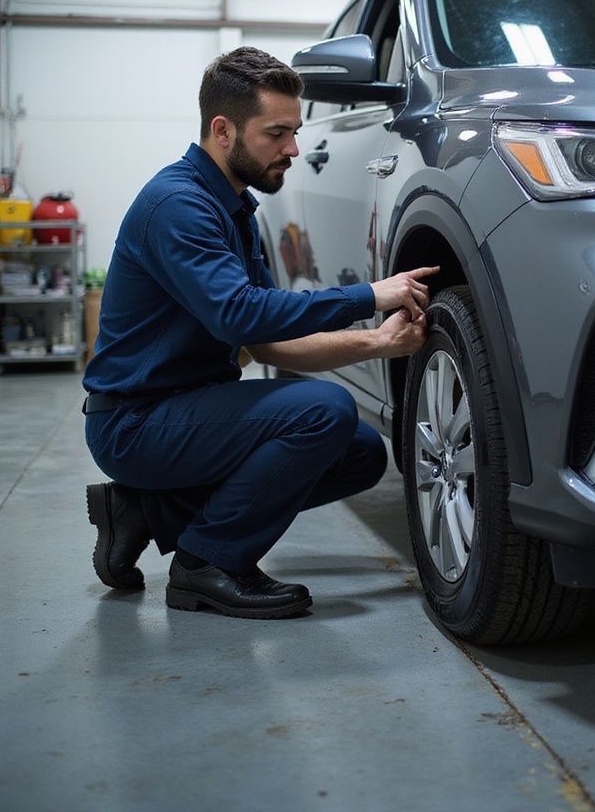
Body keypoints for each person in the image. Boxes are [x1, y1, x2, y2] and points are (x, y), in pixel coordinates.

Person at [82, 46, 437, 620]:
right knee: (322, 410)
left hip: (186, 409)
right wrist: (369, 296)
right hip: (135, 421)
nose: (294, 149)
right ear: (222, 130)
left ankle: (147, 512)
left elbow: (267, 343)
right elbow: (242, 316)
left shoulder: (232, 207)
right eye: (277, 133)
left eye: (294, 132)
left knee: (360, 454)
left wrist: (379, 341)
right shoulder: (179, 205)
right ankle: (207, 564)